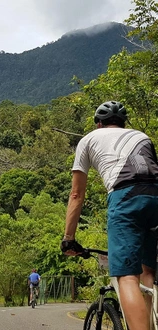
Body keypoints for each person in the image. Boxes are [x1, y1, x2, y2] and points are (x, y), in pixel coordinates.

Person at [60, 100, 158, 330]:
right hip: (155, 197)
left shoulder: (88, 140)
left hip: (126, 197)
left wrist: (68, 239)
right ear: (124, 124)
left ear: (98, 125)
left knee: (127, 277)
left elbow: (76, 194)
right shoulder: (142, 137)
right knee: (147, 272)